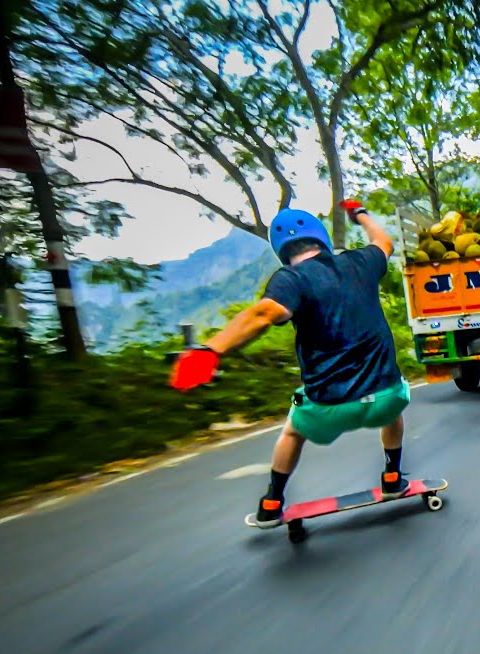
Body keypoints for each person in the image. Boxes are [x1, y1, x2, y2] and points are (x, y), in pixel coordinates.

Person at [168, 199, 411, 528]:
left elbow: (263, 314)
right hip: (385, 399)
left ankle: (271, 502)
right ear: (320, 237)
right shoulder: (361, 261)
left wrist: (211, 350)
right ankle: (393, 477)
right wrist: (361, 214)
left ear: (282, 250)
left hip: (329, 406)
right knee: (393, 398)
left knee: (292, 432)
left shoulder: (291, 279)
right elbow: (384, 242)